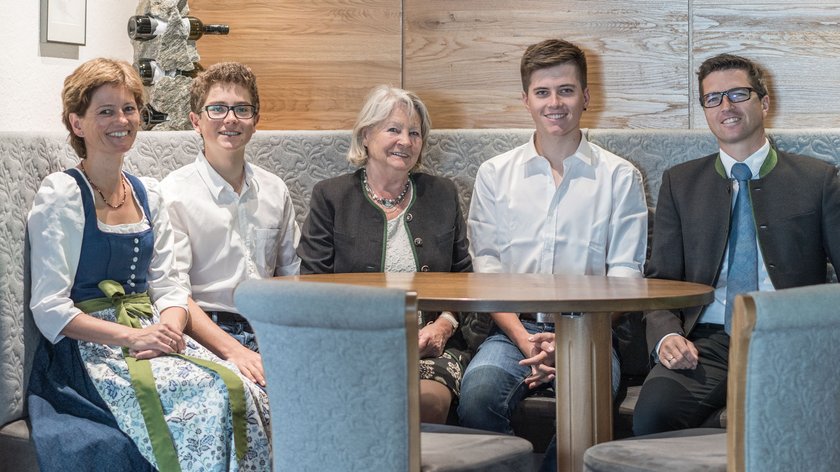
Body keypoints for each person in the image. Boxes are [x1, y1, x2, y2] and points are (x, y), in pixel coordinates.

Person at [26, 58, 271, 471]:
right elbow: (49, 308)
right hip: (91, 351)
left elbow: (171, 287)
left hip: (153, 333)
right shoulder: (63, 194)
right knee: (211, 399)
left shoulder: (147, 193)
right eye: (105, 111)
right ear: (77, 123)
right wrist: (131, 337)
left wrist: (169, 332)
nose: (121, 120)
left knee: (250, 389)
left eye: (128, 108)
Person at [633, 53, 840, 435]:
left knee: (800, 423)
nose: (725, 106)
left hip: (791, 336)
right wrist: (667, 334)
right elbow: (661, 280)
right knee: (653, 414)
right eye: (713, 98)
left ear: (764, 102)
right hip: (707, 342)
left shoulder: (818, 179)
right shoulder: (680, 183)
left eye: (737, 94)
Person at [457, 38, 647, 452]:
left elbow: (626, 277)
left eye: (566, 90)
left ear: (586, 97)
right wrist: (528, 342)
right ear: (525, 100)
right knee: (477, 396)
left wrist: (568, 342)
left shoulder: (620, 177)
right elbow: (486, 274)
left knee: (586, 406)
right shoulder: (495, 174)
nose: (554, 103)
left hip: (590, 331)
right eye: (542, 92)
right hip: (512, 332)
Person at [297, 85, 477, 424]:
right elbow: (312, 286)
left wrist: (444, 324)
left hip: (430, 347)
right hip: (351, 343)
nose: (405, 142)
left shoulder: (442, 194)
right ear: (366, 135)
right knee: (352, 400)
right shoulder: (331, 197)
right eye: (393, 129)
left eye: (414, 133)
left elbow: (463, 279)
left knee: (427, 403)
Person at [161, 61, 300, 386]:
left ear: (255, 121)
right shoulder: (174, 193)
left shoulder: (275, 189)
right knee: (251, 393)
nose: (230, 119)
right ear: (196, 121)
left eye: (241, 109)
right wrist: (236, 351)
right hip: (206, 331)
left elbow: (291, 276)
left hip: (270, 327)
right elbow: (174, 293)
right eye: (218, 109)